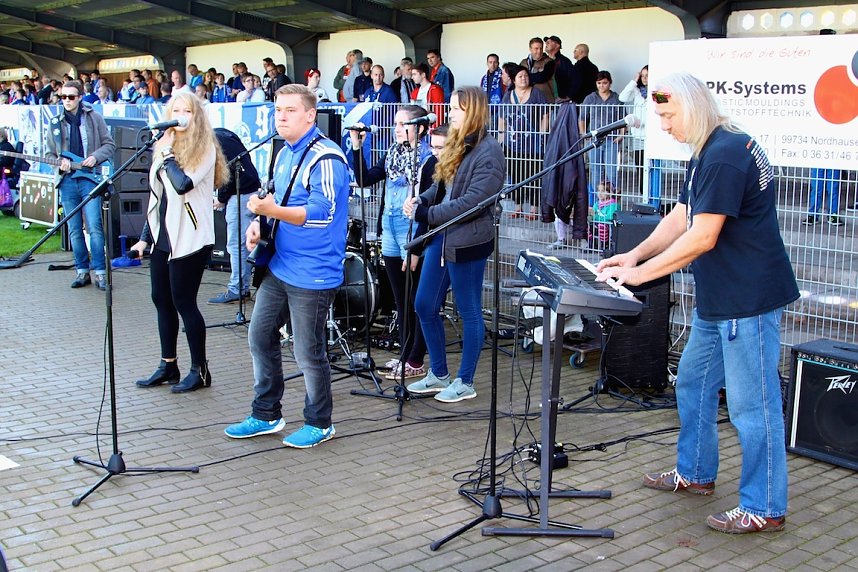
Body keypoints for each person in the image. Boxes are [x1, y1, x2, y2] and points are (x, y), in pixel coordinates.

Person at [596, 72, 799, 534]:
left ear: (692, 106)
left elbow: (702, 236)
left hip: (747, 302)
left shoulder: (725, 154)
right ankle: (695, 472)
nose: (664, 125)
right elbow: (683, 214)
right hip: (719, 302)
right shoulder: (708, 149)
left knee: (753, 407)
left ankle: (765, 506)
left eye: (668, 115)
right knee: (691, 384)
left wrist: (640, 275)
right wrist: (634, 255)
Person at [225, 84, 350, 448]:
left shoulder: (326, 158)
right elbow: (277, 198)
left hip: (314, 271)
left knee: (308, 351)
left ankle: (320, 422)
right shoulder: (283, 153)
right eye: (278, 109)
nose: (281, 116)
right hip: (281, 264)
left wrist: (272, 211)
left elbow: (321, 214)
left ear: (310, 115)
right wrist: (258, 223)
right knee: (260, 335)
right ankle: (266, 413)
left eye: (290, 110)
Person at [404, 86, 505, 403]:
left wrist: (427, 214)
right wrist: (421, 200)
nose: (450, 114)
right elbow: (441, 184)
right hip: (443, 236)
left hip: (468, 241)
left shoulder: (489, 152)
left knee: (469, 310)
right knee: (424, 304)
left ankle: (465, 381)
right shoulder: (457, 142)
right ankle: (439, 374)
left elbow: (472, 203)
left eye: (456, 109)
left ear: (472, 111)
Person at [130, 92, 230, 393]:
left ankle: (200, 370)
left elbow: (182, 184)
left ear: (196, 115)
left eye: (187, 111)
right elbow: (158, 197)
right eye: (176, 111)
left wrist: (167, 156)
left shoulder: (204, 148)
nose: (181, 116)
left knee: (184, 302)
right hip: (165, 236)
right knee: (161, 299)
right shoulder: (165, 145)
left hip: (190, 237)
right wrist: (145, 238)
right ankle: (168, 364)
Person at [349, 105, 435, 381]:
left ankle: (416, 358)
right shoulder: (392, 154)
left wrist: (417, 247)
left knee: (415, 297)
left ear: (419, 128)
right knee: (400, 298)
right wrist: (356, 147)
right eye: (396, 124)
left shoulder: (428, 160)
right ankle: (405, 352)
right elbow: (365, 179)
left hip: (411, 229)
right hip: (389, 226)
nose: (396, 129)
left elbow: (428, 205)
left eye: (402, 124)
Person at [45, 80, 116, 290]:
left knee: (94, 226)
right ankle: (82, 270)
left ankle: (100, 273)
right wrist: (60, 163)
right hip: (67, 181)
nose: (66, 101)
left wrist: (95, 157)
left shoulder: (94, 117)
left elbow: (109, 144)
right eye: (63, 97)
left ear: (80, 97)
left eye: (71, 97)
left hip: (89, 179)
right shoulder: (55, 123)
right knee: (74, 229)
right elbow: (49, 154)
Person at [209, 128, 261, 304]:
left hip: (240, 194)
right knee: (242, 243)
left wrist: (221, 198)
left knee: (237, 244)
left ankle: (237, 289)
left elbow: (228, 172)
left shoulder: (215, 140)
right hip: (248, 191)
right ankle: (241, 287)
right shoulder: (223, 134)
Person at [498, 65, 549, 219]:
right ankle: (518, 207)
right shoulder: (508, 95)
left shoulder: (536, 93)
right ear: (514, 80)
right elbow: (502, 117)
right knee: (516, 175)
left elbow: (545, 114)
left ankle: (533, 209)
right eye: (520, 76)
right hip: (512, 144)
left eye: (526, 76)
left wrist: (541, 135)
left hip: (532, 144)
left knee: (533, 175)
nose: (523, 79)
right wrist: (501, 137)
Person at [579, 70, 624, 205]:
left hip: (612, 138)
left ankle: (613, 202)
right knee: (595, 170)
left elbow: (623, 119)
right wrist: (584, 134)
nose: (601, 86)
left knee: (612, 170)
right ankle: (596, 203)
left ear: (610, 83)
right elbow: (582, 118)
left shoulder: (616, 98)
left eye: (604, 83)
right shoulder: (590, 98)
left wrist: (621, 135)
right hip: (595, 139)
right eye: (599, 83)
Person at [619, 65, 661, 200]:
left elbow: (663, 108)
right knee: (640, 166)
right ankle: (644, 196)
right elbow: (622, 97)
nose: (644, 78)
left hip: (652, 136)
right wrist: (634, 81)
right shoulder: (637, 91)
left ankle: (654, 196)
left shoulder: (659, 91)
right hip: (638, 135)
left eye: (647, 75)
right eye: (642, 76)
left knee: (654, 168)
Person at [520, 37, 555, 103]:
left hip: (545, 100)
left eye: (541, 48)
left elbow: (542, 77)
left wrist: (526, 78)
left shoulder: (549, 62)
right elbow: (517, 77)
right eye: (536, 48)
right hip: (527, 100)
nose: (539, 51)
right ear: (530, 49)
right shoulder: (523, 62)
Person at [543, 35, 574, 102]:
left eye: (549, 42)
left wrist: (569, 96)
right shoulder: (542, 60)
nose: (546, 44)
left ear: (557, 46)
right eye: (546, 42)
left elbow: (573, 79)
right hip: (544, 99)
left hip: (559, 100)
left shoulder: (564, 61)